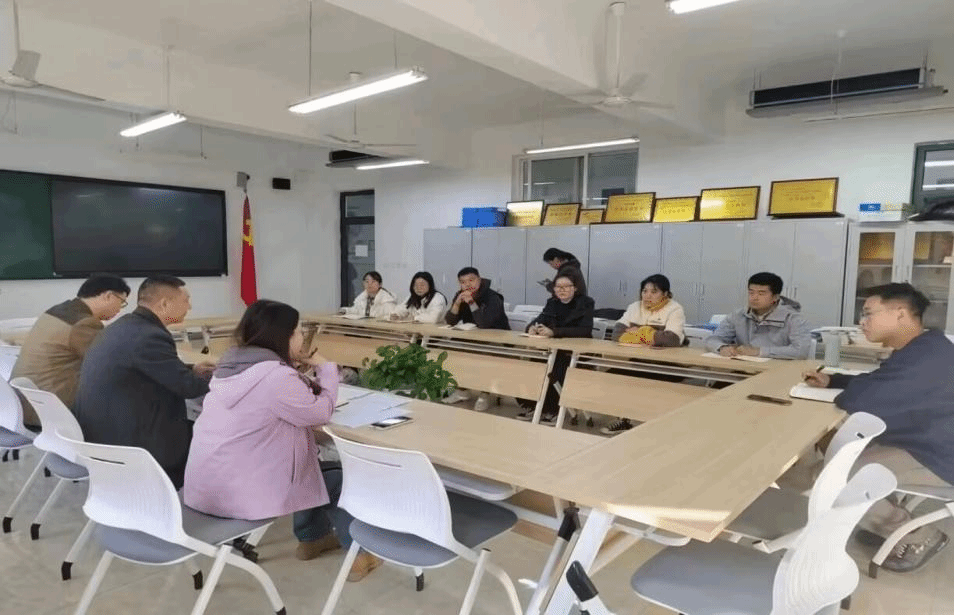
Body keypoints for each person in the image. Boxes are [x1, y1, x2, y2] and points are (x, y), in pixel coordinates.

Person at [184, 300, 381, 581]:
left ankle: (313, 538)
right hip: (240, 494)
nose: (302, 338)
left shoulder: (231, 367)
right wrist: (325, 367)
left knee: (312, 467)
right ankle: (359, 554)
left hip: (206, 487)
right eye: (298, 331)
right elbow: (321, 412)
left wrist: (293, 370)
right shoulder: (275, 377)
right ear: (283, 335)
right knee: (338, 478)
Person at [803, 283, 954, 573]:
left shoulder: (925, 357)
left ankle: (918, 537)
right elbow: (881, 384)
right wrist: (834, 380)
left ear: (900, 313)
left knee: (835, 474)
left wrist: (847, 389)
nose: (862, 322)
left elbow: (860, 400)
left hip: (939, 457)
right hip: (927, 442)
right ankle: (887, 520)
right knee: (838, 447)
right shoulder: (925, 348)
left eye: (869, 313)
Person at [74, 275, 214, 489]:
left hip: (104, 431)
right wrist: (224, 374)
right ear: (164, 304)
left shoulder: (126, 326)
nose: (190, 307)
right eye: (186, 300)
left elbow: (148, 367)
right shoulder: (149, 336)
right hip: (132, 443)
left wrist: (191, 369)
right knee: (216, 434)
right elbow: (189, 387)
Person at [11, 274, 130, 428]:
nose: (119, 310)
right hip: (49, 409)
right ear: (108, 296)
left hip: (21, 403)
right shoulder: (83, 323)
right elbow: (109, 363)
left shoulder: (56, 311)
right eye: (121, 303)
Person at [601, 274, 688, 435]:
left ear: (665, 294)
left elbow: (671, 339)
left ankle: (652, 424)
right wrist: (652, 336)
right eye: (644, 291)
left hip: (668, 365)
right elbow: (617, 334)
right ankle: (624, 419)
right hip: (640, 361)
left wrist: (640, 332)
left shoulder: (675, 309)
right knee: (613, 376)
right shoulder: (635, 307)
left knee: (647, 381)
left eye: (654, 292)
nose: (647, 296)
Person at [516, 268, 594, 424]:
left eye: (566, 286)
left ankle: (553, 409)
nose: (561, 290)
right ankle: (533, 405)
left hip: (575, 353)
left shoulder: (585, 303)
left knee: (555, 369)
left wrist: (554, 332)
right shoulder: (552, 303)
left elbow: (584, 330)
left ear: (575, 288)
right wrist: (531, 327)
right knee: (531, 367)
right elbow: (540, 319)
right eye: (558, 287)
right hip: (552, 350)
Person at [443, 267, 510, 411]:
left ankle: (484, 393)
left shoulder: (493, 297)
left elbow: (484, 324)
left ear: (479, 280)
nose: (467, 285)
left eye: (471, 280)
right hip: (473, 338)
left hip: (497, 340)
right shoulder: (460, 295)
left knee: (483, 356)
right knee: (451, 350)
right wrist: (457, 303)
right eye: (463, 282)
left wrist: (471, 302)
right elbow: (450, 321)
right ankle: (462, 390)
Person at [704, 271, 811, 359]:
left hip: (777, 370)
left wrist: (759, 351)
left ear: (775, 297)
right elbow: (712, 339)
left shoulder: (793, 318)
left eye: (761, 293)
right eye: (751, 293)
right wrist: (721, 347)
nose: (754, 298)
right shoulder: (738, 315)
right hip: (743, 367)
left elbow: (801, 351)